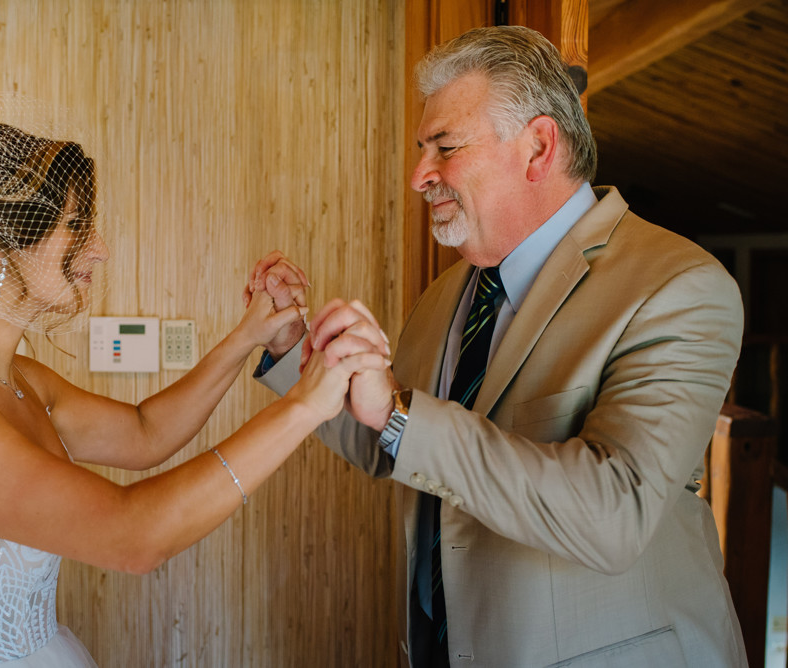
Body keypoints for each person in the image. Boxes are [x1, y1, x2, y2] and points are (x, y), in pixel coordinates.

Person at [249, 26, 748, 667]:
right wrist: (296, 346)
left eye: (445, 147)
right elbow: (391, 446)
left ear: (538, 146)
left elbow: (615, 514)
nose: (419, 175)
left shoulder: (679, 286)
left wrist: (400, 413)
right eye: (421, 149)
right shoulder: (442, 299)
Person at [0, 94, 388, 667]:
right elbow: (134, 536)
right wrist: (304, 406)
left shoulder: (12, 376)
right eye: (76, 226)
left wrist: (248, 335)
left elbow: (143, 432)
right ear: (6, 242)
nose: (99, 250)